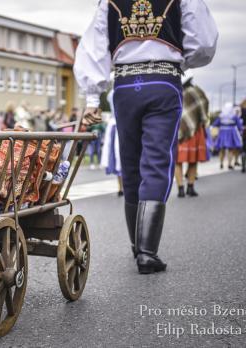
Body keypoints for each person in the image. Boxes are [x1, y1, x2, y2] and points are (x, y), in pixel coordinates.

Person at [74, 0, 218, 273]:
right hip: (164, 82)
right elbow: (204, 43)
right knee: (156, 163)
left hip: (126, 85)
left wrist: (93, 98)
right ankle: (147, 252)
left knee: (130, 164)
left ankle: (136, 245)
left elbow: (94, 48)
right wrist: (179, 62)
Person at [175, 78, 209, 198]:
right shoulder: (197, 91)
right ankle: (190, 187)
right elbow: (204, 105)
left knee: (177, 161)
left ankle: (180, 189)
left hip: (178, 130)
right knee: (193, 161)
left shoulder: (174, 91)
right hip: (195, 131)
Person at [101, 90, 123, 196]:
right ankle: (122, 187)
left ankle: (121, 187)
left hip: (116, 126)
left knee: (118, 156)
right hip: (121, 125)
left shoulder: (112, 93)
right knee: (119, 156)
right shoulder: (115, 92)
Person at [211, 103, 243, 170]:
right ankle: (229, 164)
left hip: (222, 133)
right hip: (231, 134)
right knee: (230, 149)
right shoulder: (234, 116)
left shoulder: (221, 116)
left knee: (222, 150)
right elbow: (239, 126)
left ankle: (221, 163)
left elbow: (215, 124)